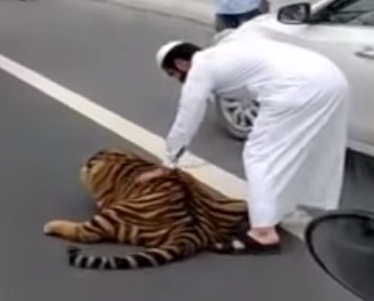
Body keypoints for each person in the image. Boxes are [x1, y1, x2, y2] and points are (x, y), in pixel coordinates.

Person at [145, 37, 350, 252]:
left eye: (173, 75)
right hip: (332, 79)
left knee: (260, 154)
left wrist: (169, 160)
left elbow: (188, 117)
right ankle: (276, 209)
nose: (179, 80)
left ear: (181, 64)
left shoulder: (200, 69)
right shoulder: (225, 52)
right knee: (299, 150)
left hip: (297, 88)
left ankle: (263, 233)